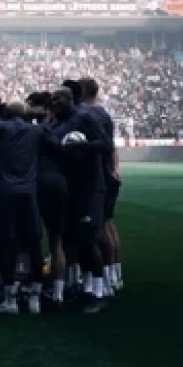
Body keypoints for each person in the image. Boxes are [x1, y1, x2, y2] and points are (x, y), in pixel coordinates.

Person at [0, 101, 56, 315]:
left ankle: (10, 299)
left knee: (7, 244)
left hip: (5, 192)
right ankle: (35, 298)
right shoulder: (36, 130)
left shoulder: (0, 128)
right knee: (33, 244)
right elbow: (56, 146)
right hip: (29, 192)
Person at [50, 86, 111, 314]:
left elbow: (104, 144)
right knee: (73, 241)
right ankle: (86, 290)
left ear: (69, 100)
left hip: (90, 188)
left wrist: (81, 147)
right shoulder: (57, 124)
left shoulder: (84, 117)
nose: (54, 103)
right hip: (72, 189)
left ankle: (99, 293)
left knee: (89, 240)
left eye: (58, 99)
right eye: (52, 100)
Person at [80, 78, 123, 295]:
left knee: (98, 231)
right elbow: (111, 146)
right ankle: (114, 276)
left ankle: (104, 281)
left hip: (98, 176)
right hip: (108, 172)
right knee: (108, 224)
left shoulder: (87, 114)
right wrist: (115, 168)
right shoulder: (104, 114)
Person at [28, 91, 69, 306]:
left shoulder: (35, 130)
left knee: (32, 239)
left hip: (37, 183)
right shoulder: (61, 130)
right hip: (58, 183)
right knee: (56, 240)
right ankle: (59, 293)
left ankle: (33, 291)